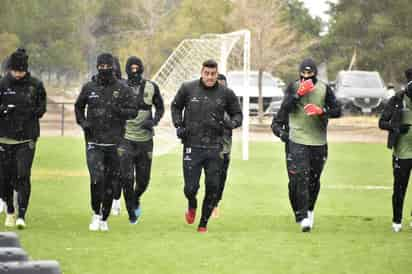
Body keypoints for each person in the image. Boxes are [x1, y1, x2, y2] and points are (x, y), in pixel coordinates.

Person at [171, 59, 242, 233]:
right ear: (201, 72)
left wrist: (231, 124)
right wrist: (179, 125)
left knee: (212, 187)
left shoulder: (226, 93)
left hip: (214, 147)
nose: (210, 77)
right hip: (192, 145)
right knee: (190, 188)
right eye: (207, 73)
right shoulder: (188, 88)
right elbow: (175, 106)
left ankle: (203, 224)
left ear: (217, 74)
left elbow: (238, 115)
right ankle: (192, 204)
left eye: (213, 74)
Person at [271, 58, 341, 232]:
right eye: (303, 73)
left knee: (314, 180)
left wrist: (321, 111)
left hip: (319, 141)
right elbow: (284, 108)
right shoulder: (293, 87)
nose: (306, 76)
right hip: (297, 140)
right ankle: (302, 217)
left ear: (315, 73)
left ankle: (309, 210)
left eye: (310, 74)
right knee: (300, 178)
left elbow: (338, 110)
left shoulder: (325, 88)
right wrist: (298, 94)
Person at [75, 53, 138, 231]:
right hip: (94, 142)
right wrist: (84, 123)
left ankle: (104, 216)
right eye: (100, 66)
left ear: (113, 68)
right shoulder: (89, 87)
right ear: (97, 67)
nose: (104, 69)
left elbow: (133, 110)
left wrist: (119, 111)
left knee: (110, 182)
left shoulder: (123, 88)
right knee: (97, 179)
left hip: (115, 143)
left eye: (107, 66)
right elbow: (78, 107)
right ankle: (95, 213)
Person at [0, 48, 47, 229]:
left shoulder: (35, 85)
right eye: (15, 70)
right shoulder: (2, 84)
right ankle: (10, 210)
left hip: (27, 139)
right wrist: (5, 110)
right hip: (4, 139)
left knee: (22, 175)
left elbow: (41, 109)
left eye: (21, 71)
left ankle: (22, 215)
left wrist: (28, 113)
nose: (18, 74)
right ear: (10, 69)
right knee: (5, 178)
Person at [118, 56, 164, 224]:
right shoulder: (120, 87)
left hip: (145, 141)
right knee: (127, 177)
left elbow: (160, 107)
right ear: (127, 70)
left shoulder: (152, 87)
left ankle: (135, 198)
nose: (134, 72)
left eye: (137, 69)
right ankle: (131, 210)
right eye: (131, 69)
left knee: (143, 180)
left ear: (142, 69)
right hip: (125, 140)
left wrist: (154, 121)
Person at [379, 67, 412, 232]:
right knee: (400, 187)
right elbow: (382, 122)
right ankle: (397, 221)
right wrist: (397, 128)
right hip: (402, 151)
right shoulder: (398, 99)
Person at [212, 73, 235, 218]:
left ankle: (215, 203)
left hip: (224, 148)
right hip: (205, 146)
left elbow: (234, 121)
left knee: (220, 179)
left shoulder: (231, 102)